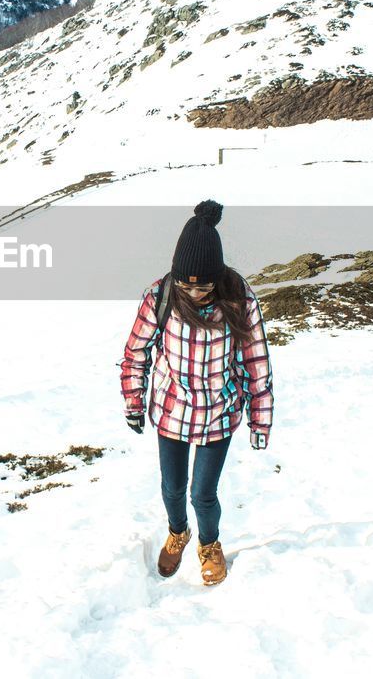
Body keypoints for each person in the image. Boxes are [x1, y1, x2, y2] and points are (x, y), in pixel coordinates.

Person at [119, 199, 274, 586]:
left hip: (218, 413)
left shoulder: (240, 301)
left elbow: (257, 364)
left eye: (202, 285)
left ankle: (209, 544)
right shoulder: (161, 296)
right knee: (172, 489)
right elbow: (136, 351)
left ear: (216, 278)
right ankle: (177, 532)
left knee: (203, 494)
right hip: (172, 409)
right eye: (186, 283)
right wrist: (134, 401)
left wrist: (260, 419)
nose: (193, 292)